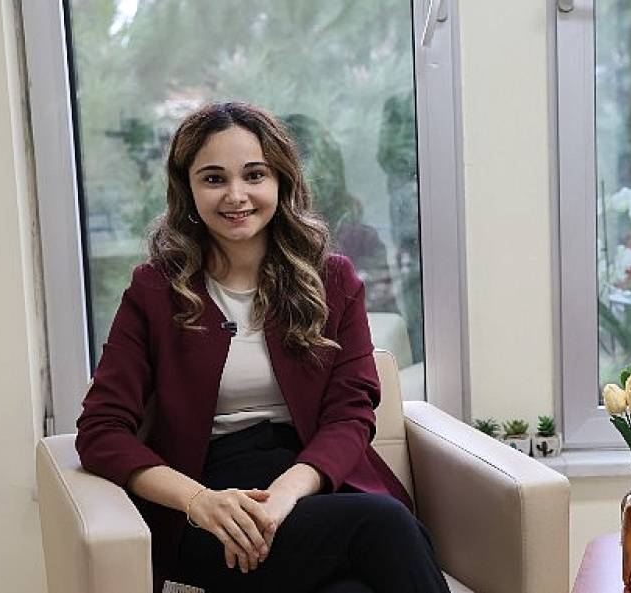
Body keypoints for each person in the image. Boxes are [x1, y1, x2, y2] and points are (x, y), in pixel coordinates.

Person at [75, 101, 451, 593]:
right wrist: (198, 501)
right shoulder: (154, 290)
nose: (236, 195)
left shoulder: (332, 279)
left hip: (312, 485)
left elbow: (351, 414)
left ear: (281, 181)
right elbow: (101, 430)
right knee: (386, 525)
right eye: (214, 179)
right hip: (211, 509)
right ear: (187, 188)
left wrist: (285, 495)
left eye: (254, 175)